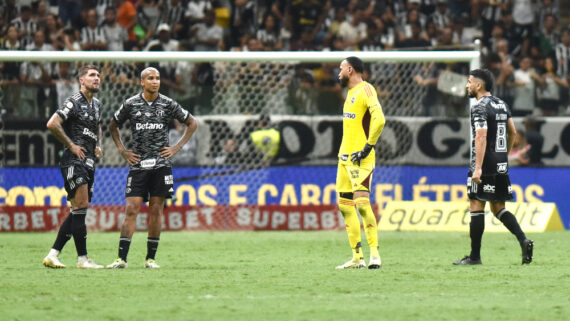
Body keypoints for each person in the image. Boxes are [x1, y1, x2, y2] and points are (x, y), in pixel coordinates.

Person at [107, 67, 198, 269]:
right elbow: (113, 125)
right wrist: (123, 150)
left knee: (156, 210)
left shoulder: (168, 103)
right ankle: (121, 258)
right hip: (138, 165)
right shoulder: (130, 104)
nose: (155, 81)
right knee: (131, 209)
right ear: (142, 82)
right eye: (150, 78)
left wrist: (177, 147)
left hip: (161, 165)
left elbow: (192, 123)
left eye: (157, 78)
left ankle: (150, 259)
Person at [454, 68, 534, 265]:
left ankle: (474, 257)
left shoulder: (479, 107)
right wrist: (503, 155)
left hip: (483, 163)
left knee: (476, 203)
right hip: (500, 164)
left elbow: (481, 136)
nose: (467, 85)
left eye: (469, 81)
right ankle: (523, 240)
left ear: (478, 85)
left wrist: (478, 167)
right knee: (498, 207)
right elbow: (513, 132)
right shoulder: (501, 104)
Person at [42, 65, 104, 269]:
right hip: (73, 160)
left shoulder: (97, 105)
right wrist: (71, 145)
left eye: (98, 75)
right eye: (92, 75)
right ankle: (83, 259)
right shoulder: (73, 101)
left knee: (78, 209)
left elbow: (98, 125)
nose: (97, 78)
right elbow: (52, 123)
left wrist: (98, 144)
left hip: (88, 161)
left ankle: (53, 254)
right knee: (80, 207)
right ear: (81, 80)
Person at [335, 56, 386, 270]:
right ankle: (357, 258)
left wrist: (367, 147)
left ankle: (375, 255)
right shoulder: (350, 93)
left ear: (350, 69)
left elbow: (380, 119)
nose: (338, 73)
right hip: (344, 159)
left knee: (363, 204)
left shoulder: (366, 90)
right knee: (345, 206)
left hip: (360, 159)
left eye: (340, 69)